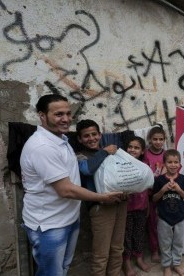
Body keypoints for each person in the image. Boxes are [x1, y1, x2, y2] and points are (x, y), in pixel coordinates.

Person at [20, 94, 122, 276]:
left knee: (63, 268)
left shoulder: (61, 140)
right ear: (42, 116)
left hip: (68, 218)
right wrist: (102, 198)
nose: (66, 119)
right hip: (50, 225)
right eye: (59, 114)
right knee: (51, 273)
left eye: (68, 113)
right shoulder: (43, 146)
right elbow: (65, 189)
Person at [76, 119, 128, 276]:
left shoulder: (113, 153)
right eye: (86, 136)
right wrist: (104, 151)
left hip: (120, 203)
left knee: (117, 248)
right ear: (79, 139)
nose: (91, 138)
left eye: (94, 134)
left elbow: (123, 173)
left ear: (100, 135)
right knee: (101, 253)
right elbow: (87, 170)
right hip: (100, 208)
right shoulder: (80, 156)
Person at [152, 149, 184, 276]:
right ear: (164, 163)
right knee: (165, 243)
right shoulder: (159, 180)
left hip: (179, 216)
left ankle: (177, 264)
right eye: (170, 162)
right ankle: (166, 266)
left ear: (180, 164)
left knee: (178, 242)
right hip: (164, 217)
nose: (173, 165)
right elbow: (154, 198)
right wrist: (163, 190)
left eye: (176, 162)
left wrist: (179, 190)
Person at [123, 136, 152, 276]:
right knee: (126, 236)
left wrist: (146, 205)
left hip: (141, 207)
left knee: (139, 234)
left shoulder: (145, 165)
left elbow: (147, 188)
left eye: (136, 148)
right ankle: (127, 262)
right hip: (126, 208)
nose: (132, 150)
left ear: (142, 151)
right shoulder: (120, 163)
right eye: (130, 147)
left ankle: (139, 258)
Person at [143, 124, 166, 262]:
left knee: (165, 223)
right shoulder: (145, 154)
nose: (158, 142)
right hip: (150, 195)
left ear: (164, 140)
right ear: (150, 140)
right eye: (155, 139)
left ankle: (165, 248)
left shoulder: (166, 154)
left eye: (161, 139)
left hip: (164, 195)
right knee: (152, 223)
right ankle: (154, 250)